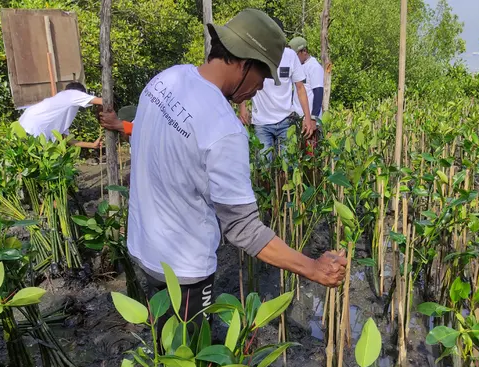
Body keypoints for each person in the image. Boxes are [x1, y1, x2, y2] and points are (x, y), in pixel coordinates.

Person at [102, 8, 347, 327]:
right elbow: (243, 228)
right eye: (263, 77)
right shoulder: (224, 127)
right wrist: (312, 268)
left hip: (145, 246)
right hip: (186, 268)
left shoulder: (166, 79)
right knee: (190, 363)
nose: (260, 89)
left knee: (164, 338)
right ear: (245, 63)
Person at [237, 18, 316, 157]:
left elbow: (300, 88)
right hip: (261, 122)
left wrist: (308, 118)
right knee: (264, 170)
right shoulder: (256, 54)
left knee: (289, 167)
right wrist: (242, 108)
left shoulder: (290, 56)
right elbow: (243, 79)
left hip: (286, 120)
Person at [18, 81, 103, 149]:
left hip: (21, 126)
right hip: (33, 131)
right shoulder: (73, 94)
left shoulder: (61, 105)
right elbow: (103, 101)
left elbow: (66, 139)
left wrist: (92, 145)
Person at [288, 37, 324, 127]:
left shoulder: (314, 67)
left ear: (304, 51)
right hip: (297, 119)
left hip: (309, 120)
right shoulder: (297, 66)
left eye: (295, 55)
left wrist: (313, 118)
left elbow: (318, 93)